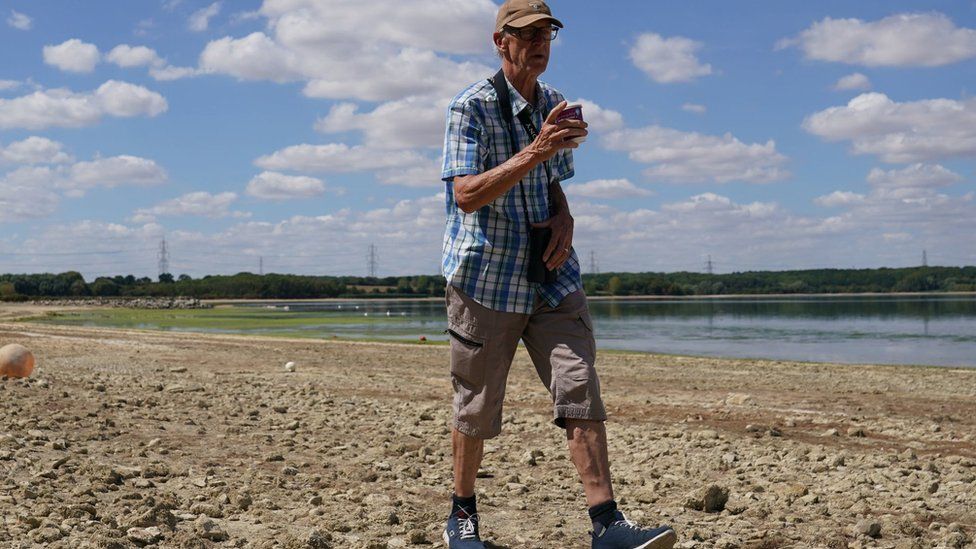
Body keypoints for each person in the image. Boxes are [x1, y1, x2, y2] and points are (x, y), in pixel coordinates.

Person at [438, 1, 678, 548]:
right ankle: (463, 517)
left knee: (579, 384)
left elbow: (552, 180)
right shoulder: (469, 107)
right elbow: (466, 194)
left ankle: (607, 525)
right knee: (476, 404)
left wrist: (564, 211)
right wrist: (536, 148)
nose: (540, 43)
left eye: (547, 33)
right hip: (485, 279)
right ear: (501, 42)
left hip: (550, 274)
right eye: (527, 34)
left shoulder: (553, 103)